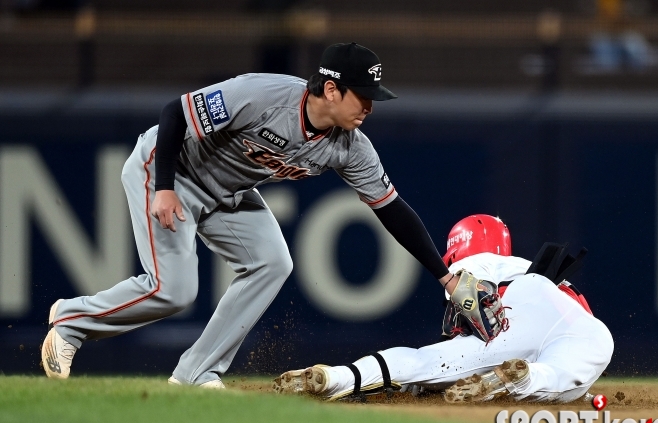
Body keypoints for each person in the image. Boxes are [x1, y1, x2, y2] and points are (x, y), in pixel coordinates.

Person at [40, 43, 460, 387]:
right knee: (174, 291)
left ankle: (195, 374)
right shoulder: (264, 95)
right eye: (362, 95)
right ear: (331, 89)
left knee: (273, 262)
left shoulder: (352, 147)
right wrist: (164, 187)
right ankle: (72, 322)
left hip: (227, 191)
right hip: (171, 170)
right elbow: (176, 113)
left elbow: (393, 211)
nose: (370, 106)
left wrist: (446, 276)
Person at [274, 215, 614, 403]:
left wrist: (432, 377)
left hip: (512, 309)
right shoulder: (521, 263)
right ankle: (525, 377)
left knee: (423, 362)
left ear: (455, 251)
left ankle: (336, 377)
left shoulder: (475, 262)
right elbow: (578, 313)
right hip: (582, 325)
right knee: (559, 377)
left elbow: (472, 298)